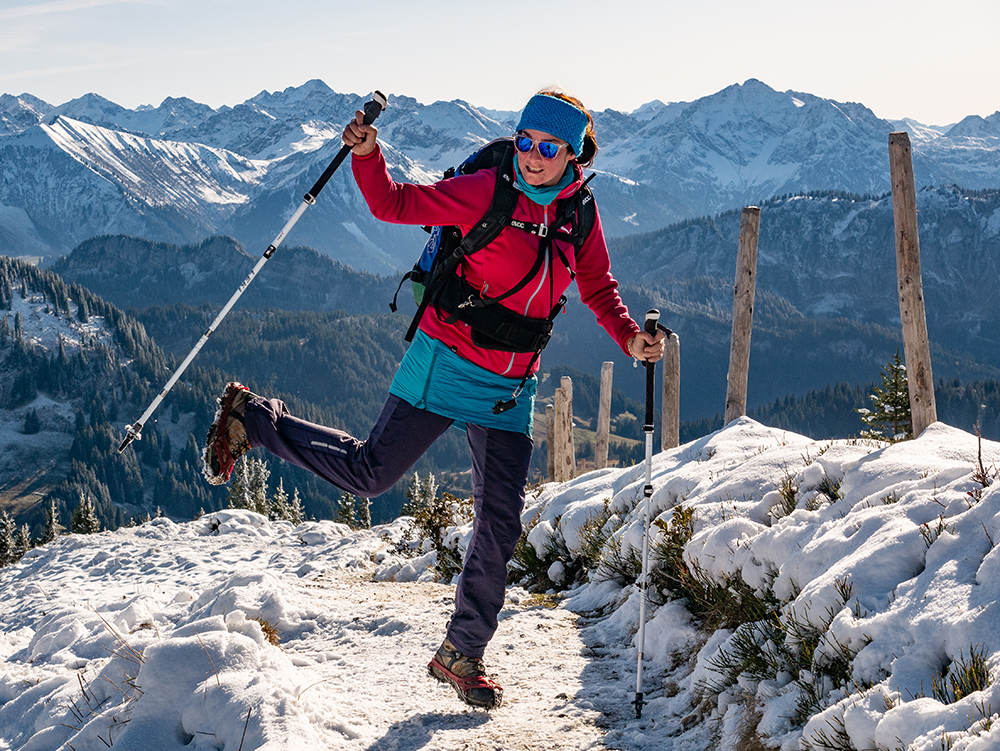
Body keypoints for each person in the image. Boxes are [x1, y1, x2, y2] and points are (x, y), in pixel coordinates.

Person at [203, 89, 666, 710]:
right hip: (446, 357)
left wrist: (632, 338)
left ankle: (462, 653)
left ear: (573, 154)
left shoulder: (578, 213)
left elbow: (598, 286)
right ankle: (254, 419)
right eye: (524, 142)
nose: (531, 157)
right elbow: (396, 204)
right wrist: (369, 156)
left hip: (510, 384)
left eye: (547, 148)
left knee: (499, 524)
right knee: (371, 473)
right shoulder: (486, 190)